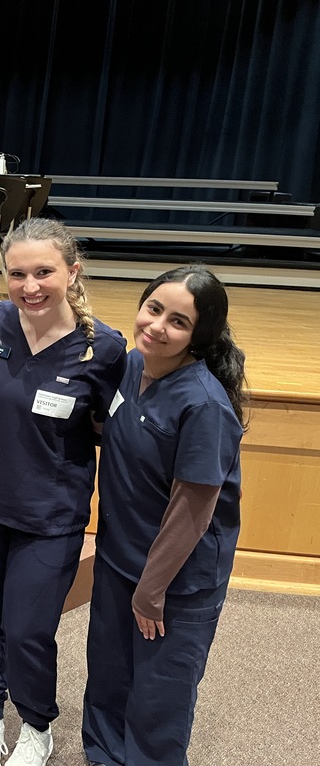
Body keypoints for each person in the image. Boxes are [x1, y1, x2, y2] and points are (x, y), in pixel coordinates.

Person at [0, 218, 127, 766]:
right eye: (18, 273)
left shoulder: (103, 350)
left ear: (72, 271)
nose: (30, 286)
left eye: (44, 272)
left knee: (29, 628)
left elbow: (109, 429)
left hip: (50, 515)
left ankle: (35, 723)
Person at [82, 265, 247, 766]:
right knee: (108, 676)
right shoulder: (134, 365)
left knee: (159, 697)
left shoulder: (204, 407)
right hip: (118, 558)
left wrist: (151, 593)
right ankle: (104, 757)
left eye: (178, 321)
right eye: (153, 309)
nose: (157, 326)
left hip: (175, 582)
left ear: (200, 336)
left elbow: (191, 515)